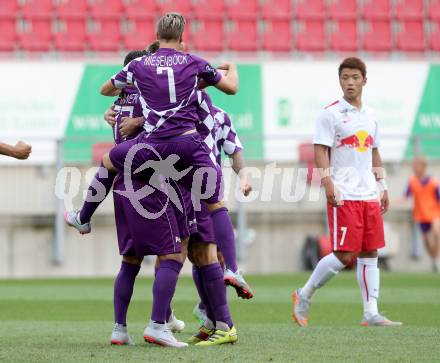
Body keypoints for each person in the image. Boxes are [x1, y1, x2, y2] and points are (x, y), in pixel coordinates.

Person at [68, 13, 238, 345]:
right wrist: (231, 70)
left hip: (143, 159)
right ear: (182, 35)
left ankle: (82, 217)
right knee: (206, 215)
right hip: (186, 149)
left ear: (157, 34)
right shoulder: (193, 62)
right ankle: (225, 272)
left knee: (109, 164)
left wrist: (132, 89)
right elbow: (229, 88)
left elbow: (106, 89)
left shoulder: (138, 69)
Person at [292, 57, 402, 327]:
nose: (350, 82)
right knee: (344, 254)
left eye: (355, 77)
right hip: (344, 195)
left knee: (370, 251)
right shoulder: (330, 113)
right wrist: (328, 183)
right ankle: (303, 294)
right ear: (340, 81)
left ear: (364, 80)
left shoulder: (372, 116)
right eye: (345, 78)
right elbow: (320, 149)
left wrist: (383, 186)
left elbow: (374, 151)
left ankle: (371, 312)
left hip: (368, 195)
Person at [405, 156, 440, 272]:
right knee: (426, 240)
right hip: (420, 215)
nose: (414, 168)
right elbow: (406, 197)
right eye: (413, 166)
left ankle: (437, 258)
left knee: (436, 232)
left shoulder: (433, 182)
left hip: (434, 213)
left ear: (423, 167)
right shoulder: (412, 181)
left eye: (416, 166)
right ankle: (434, 259)